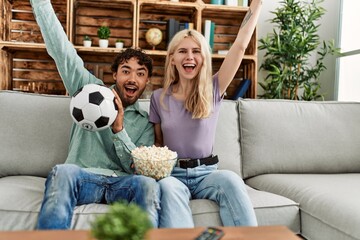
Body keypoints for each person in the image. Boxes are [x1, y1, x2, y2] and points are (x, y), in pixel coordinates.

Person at [30, 0, 172, 229]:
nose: (132, 79)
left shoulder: (147, 123)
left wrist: (119, 129)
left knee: (147, 184)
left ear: (147, 82)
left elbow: (137, 169)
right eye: (126, 71)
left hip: (122, 184)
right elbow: (60, 49)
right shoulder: (88, 89)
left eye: (140, 74)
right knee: (62, 172)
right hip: (83, 177)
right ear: (114, 75)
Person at [149, 0, 263, 227]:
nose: (189, 57)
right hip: (173, 174)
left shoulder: (214, 88)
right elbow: (158, 143)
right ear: (172, 58)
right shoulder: (158, 97)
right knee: (168, 188)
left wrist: (257, 4)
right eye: (182, 51)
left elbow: (240, 46)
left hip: (207, 173)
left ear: (203, 59)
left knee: (231, 179)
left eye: (196, 51)